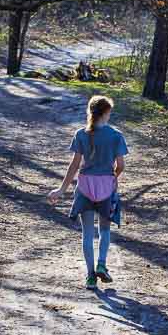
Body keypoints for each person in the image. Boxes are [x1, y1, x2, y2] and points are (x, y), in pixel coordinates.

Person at [48, 95, 128, 290]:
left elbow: (74, 165)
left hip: (85, 187)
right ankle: (102, 263)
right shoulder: (116, 135)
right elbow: (121, 165)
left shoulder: (81, 134)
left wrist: (61, 189)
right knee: (105, 230)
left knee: (87, 233)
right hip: (106, 187)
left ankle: (90, 276)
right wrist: (113, 178)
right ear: (106, 112)